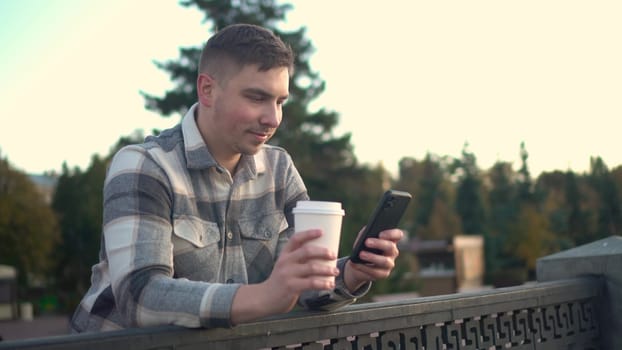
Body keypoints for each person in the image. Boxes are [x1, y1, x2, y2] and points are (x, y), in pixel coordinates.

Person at [70, 23, 403, 332]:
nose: (273, 118)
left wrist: (352, 274)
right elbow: (140, 297)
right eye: (257, 97)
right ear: (208, 90)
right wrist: (261, 297)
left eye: (280, 101)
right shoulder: (144, 165)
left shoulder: (280, 169)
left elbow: (299, 287)